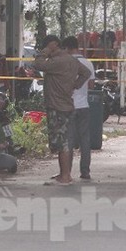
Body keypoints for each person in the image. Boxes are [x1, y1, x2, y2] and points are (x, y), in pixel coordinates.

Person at [33, 34, 92, 185]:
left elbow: (38, 64)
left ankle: (65, 175)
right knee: (64, 140)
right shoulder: (71, 60)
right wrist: (75, 85)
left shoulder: (57, 61)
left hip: (57, 106)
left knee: (63, 142)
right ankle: (63, 173)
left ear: (53, 45)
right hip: (67, 104)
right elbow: (86, 73)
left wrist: (45, 51)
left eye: (48, 46)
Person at [62, 36, 95, 180]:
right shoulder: (88, 63)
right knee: (85, 140)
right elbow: (92, 86)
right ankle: (85, 171)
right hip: (84, 106)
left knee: (68, 140)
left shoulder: (66, 63)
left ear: (67, 48)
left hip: (68, 106)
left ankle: (66, 172)